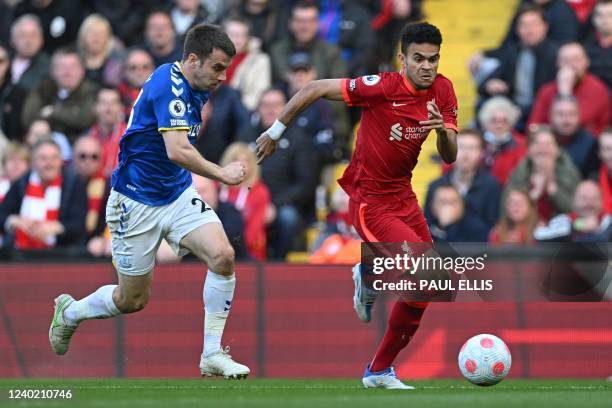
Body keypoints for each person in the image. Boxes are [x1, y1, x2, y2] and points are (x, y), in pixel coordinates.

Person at [256, 22, 458, 389]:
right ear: (402, 59)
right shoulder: (382, 88)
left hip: (404, 197)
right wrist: (275, 132)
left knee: (433, 283)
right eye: (419, 59)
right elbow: (315, 88)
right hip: (370, 201)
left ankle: (378, 364)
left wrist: (443, 130)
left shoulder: (443, 90)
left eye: (433, 59)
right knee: (426, 272)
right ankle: (371, 282)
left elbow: (449, 157)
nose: (427, 66)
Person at [47, 24, 250, 380]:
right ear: (192, 59)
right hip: (134, 201)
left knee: (223, 255)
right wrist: (222, 174)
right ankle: (70, 312)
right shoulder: (168, 85)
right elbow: (177, 149)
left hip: (176, 193)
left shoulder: (198, 86)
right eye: (217, 67)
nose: (222, 76)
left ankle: (212, 353)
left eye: (226, 69)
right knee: (133, 301)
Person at [0, 138, 87, 250]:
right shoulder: (22, 182)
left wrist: (56, 227)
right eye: (43, 158)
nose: (49, 164)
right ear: (34, 162)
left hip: (61, 254)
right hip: (21, 253)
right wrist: (15, 221)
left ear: (61, 161)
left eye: (54, 158)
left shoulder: (74, 183)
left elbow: (79, 225)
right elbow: (2, 215)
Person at [424, 129, 501, 237]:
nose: (466, 153)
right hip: (442, 251)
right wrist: (441, 227)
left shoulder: (491, 186)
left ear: (481, 153)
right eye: (461, 147)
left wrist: (459, 214)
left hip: (478, 251)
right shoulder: (436, 186)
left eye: (472, 148)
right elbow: (427, 228)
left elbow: (492, 229)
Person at [527, 42, 610, 135]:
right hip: (551, 144)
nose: (571, 65)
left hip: (588, 144)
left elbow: (569, 125)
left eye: (576, 60)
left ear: (586, 62)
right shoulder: (547, 90)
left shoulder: (597, 88)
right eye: (565, 60)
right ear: (558, 64)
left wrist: (565, 92)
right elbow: (533, 126)